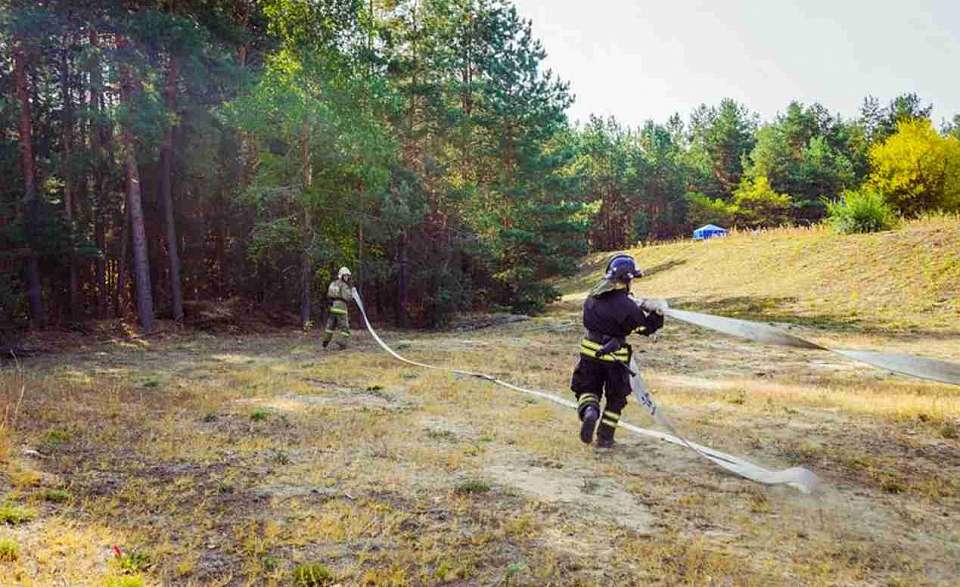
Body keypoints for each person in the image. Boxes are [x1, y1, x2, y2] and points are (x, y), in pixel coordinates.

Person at [571, 254, 667, 448]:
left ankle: (590, 411)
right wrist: (657, 313)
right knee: (616, 399)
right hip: (616, 358)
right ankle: (605, 437)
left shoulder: (592, 297)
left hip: (589, 352)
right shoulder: (627, 306)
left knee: (587, 388)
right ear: (629, 279)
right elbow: (644, 328)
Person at [322, 267, 354, 349]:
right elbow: (347, 297)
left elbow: (329, 294)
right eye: (346, 276)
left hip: (333, 307)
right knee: (345, 328)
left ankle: (326, 340)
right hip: (341, 308)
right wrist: (351, 293)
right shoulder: (343, 285)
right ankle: (342, 343)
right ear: (342, 276)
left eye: (348, 276)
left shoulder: (333, 283)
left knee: (330, 326)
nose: (347, 278)